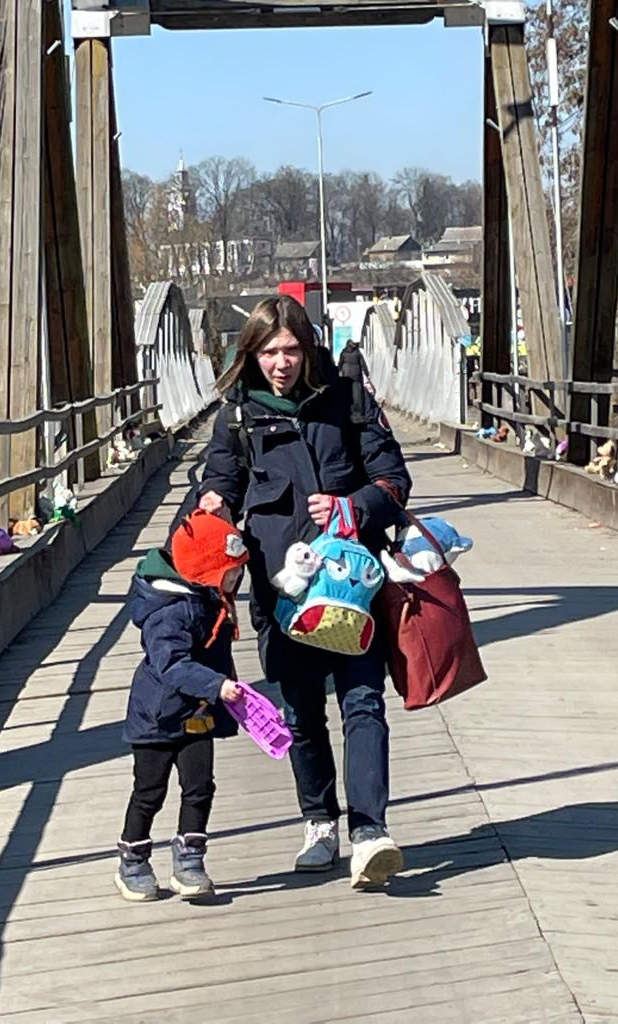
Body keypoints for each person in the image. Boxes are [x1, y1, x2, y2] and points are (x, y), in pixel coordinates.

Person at [198, 294, 413, 890]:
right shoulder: (238, 416)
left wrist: (353, 507)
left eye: (292, 349)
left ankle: (370, 831)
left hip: (349, 584)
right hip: (280, 591)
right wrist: (212, 506)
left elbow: (394, 478)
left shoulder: (346, 400)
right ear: (252, 354)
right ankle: (319, 822)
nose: (282, 363)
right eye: (269, 351)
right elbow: (220, 481)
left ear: (309, 348)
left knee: (363, 702)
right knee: (300, 710)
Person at [117, 511, 249, 902]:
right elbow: (171, 664)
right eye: (232, 571)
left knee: (199, 787)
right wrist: (217, 685)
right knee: (149, 791)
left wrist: (224, 693)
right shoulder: (170, 613)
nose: (237, 579)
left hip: (197, 713)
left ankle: (190, 860)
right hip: (156, 718)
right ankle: (133, 859)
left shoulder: (209, 599)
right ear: (206, 570)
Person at [337, 337, 374, 413]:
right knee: (358, 392)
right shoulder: (357, 352)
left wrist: (338, 371)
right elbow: (362, 363)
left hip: (346, 373)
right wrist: (367, 373)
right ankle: (359, 409)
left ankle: (348, 408)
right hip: (356, 374)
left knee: (347, 391)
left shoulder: (343, 352)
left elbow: (340, 363)